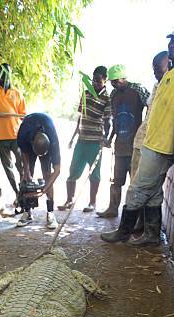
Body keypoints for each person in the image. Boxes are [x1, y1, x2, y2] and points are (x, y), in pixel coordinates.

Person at [101, 24, 174, 246]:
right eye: (171, 41)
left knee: (136, 189)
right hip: (154, 142)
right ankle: (152, 235)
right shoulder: (169, 76)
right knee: (153, 193)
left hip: (162, 145)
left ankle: (123, 232)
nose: (172, 45)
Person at [96, 65, 150, 218]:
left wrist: (146, 130)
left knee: (135, 183)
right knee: (116, 181)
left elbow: (152, 107)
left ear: (124, 78)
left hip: (136, 146)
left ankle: (136, 216)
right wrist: (110, 138)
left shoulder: (138, 90)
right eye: (112, 82)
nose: (114, 84)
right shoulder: (114, 94)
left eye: (117, 81)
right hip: (120, 146)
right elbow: (116, 120)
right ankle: (112, 209)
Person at [58, 66, 111, 213]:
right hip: (82, 139)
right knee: (73, 170)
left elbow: (107, 121)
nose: (95, 83)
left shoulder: (107, 98)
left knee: (94, 174)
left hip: (95, 141)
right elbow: (81, 118)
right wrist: (73, 137)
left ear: (105, 81)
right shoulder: (86, 94)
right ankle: (69, 200)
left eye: (99, 81)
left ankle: (92, 203)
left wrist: (105, 138)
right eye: (94, 80)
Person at [130, 51, 170, 233]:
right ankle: (142, 226)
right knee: (140, 184)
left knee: (142, 187)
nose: (155, 71)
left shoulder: (172, 86)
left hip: (154, 144)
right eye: (153, 68)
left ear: (168, 66)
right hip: (142, 141)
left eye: (158, 68)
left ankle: (133, 227)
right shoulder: (157, 86)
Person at [0, 64, 26, 200]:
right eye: (1, 73)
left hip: (16, 135)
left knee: (21, 165)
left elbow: (23, 115)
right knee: (7, 167)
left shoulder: (17, 93)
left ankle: (23, 191)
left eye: (6, 73)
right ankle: (17, 193)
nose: (4, 76)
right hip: (0, 136)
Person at [16, 112, 60, 229]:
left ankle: (50, 213)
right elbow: (24, 152)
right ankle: (27, 212)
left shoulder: (53, 140)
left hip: (45, 140)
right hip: (29, 142)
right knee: (26, 177)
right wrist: (26, 171)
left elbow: (57, 170)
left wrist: (44, 189)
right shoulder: (23, 133)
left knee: (47, 174)